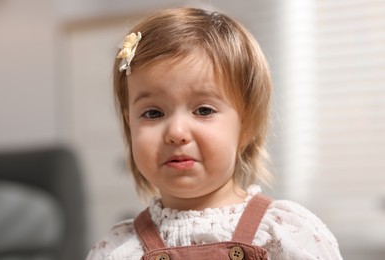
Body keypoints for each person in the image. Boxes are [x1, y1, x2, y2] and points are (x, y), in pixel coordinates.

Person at [86, 7, 342, 260]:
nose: (176, 132)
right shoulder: (117, 250)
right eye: (153, 113)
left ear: (247, 124)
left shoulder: (287, 235)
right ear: (129, 124)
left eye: (204, 110)